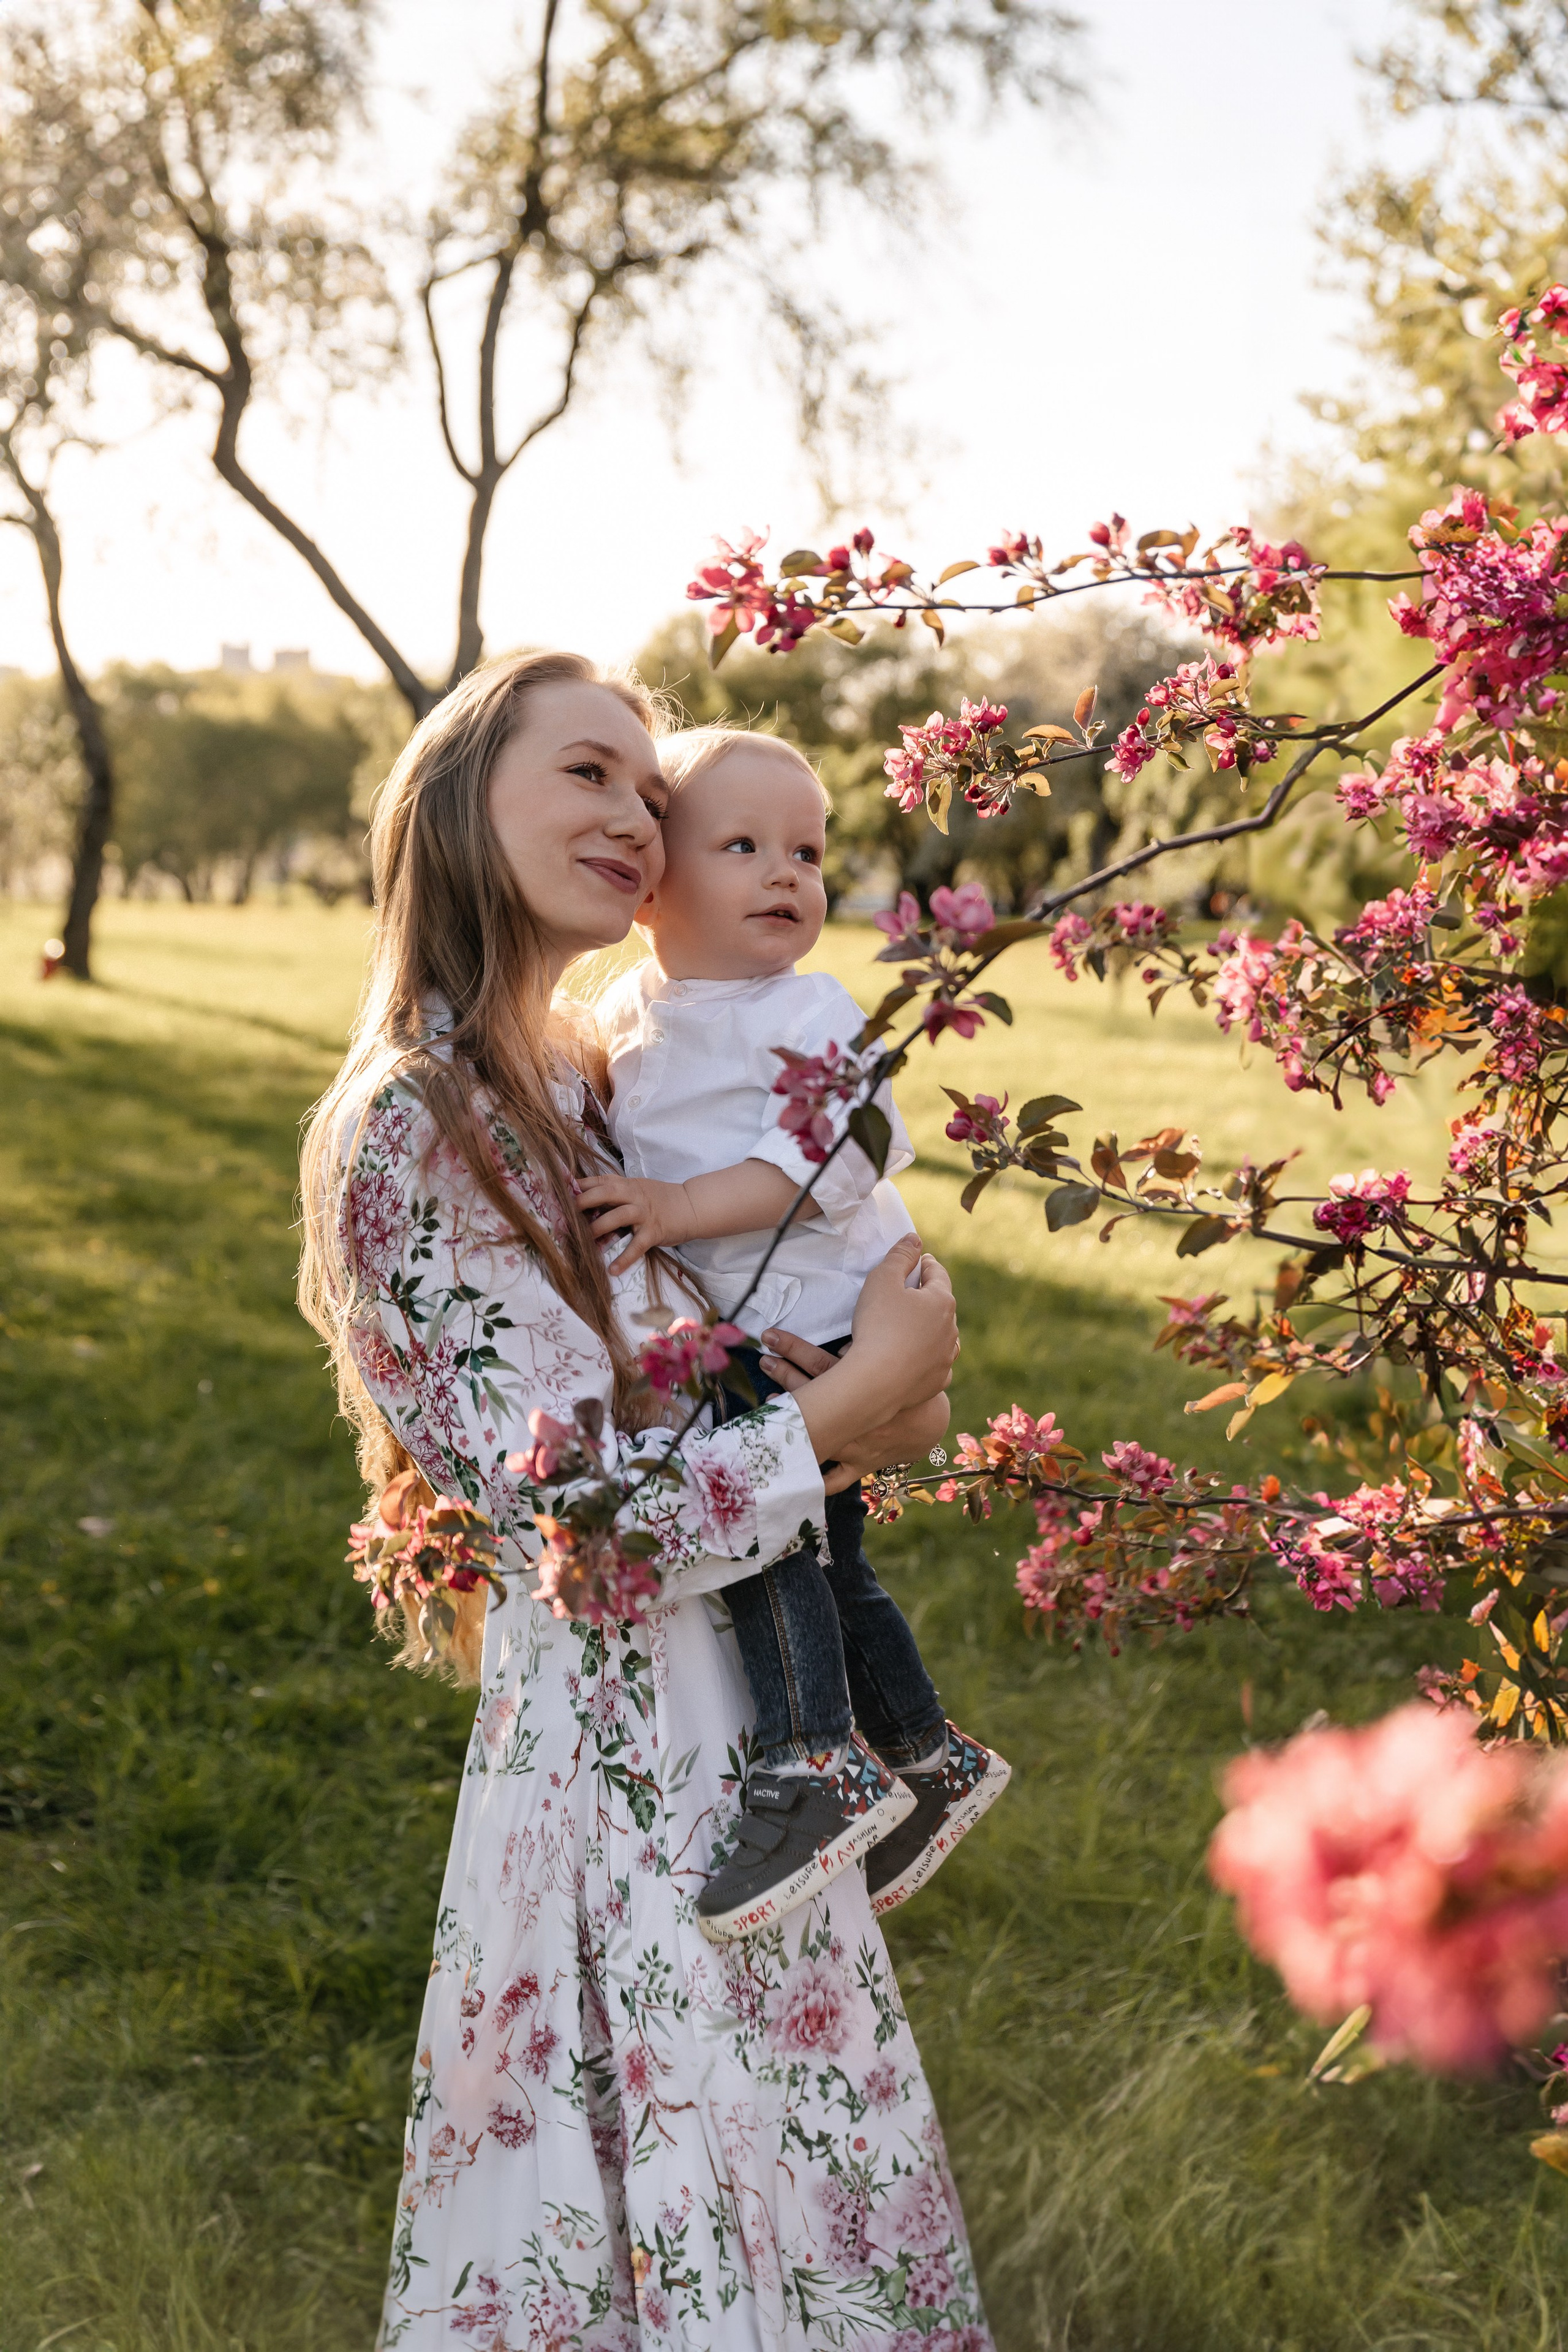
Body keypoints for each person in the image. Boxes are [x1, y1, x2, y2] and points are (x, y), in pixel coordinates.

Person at [297, 653, 995, 2350]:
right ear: (465, 801)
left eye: (647, 792)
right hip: (625, 1760)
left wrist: (871, 1387)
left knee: (788, 2170)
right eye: (588, 776)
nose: (635, 816)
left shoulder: (577, 1085)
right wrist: (854, 1393)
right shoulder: (416, 1121)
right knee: (665, 2178)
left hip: (736, 1715)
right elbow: (587, 1530)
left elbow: (771, 1389)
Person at [580, 728, 1009, 1944]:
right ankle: (922, 1754)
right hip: (750, 1331)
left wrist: (668, 1211)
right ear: (651, 882)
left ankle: (812, 1759)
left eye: (808, 853)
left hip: (822, 1313)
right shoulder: (627, 1012)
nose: (785, 874)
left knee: (778, 1549)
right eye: (743, 846)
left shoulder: (810, 1007)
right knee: (825, 1556)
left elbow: (824, 1159)